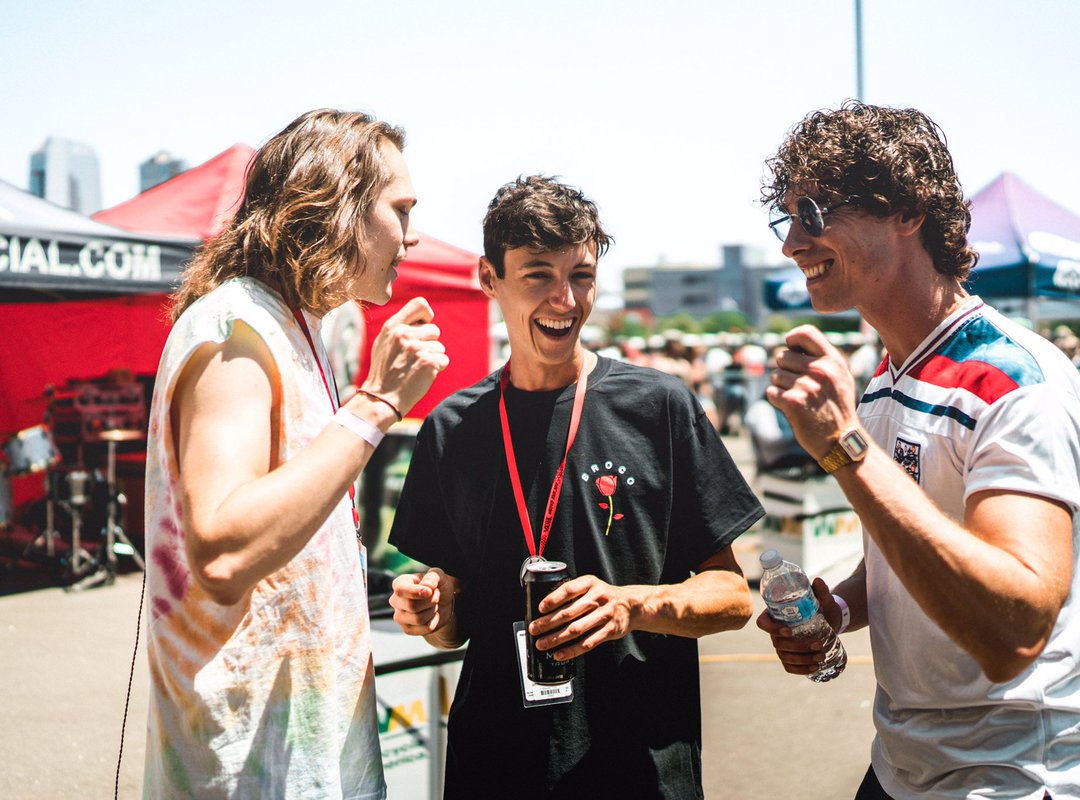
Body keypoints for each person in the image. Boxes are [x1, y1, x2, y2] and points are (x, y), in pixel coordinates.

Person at [756, 102, 1080, 799]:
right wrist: (842, 610)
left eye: (815, 214)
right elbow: (906, 552)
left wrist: (845, 449)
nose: (793, 243)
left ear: (907, 212)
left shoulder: (1012, 380)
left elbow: (1013, 633)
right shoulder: (888, 376)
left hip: (1008, 777)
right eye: (787, 219)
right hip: (900, 765)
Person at [388, 175, 763, 799]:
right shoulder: (452, 428)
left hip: (637, 767)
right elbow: (454, 623)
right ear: (489, 278)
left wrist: (631, 606)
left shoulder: (659, 406)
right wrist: (429, 611)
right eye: (538, 274)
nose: (566, 300)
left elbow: (731, 597)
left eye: (582, 276)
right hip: (495, 765)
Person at [142, 108, 449, 798]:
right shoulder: (235, 328)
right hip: (250, 770)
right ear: (336, 207)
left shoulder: (292, 326)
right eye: (400, 210)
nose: (414, 234)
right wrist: (375, 406)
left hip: (304, 759)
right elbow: (223, 552)